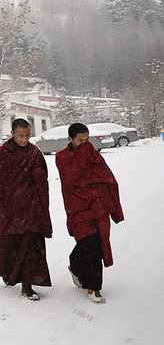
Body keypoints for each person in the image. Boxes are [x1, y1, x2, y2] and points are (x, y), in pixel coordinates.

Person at [56, 123, 124, 304]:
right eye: (80, 140)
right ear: (70, 139)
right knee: (90, 244)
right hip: (78, 208)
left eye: (87, 140)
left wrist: (113, 207)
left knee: (96, 245)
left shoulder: (94, 155)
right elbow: (72, 179)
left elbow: (107, 178)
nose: (85, 144)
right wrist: (91, 178)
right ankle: (92, 286)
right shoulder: (62, 157)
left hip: (98, 207)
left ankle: (82, 273)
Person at [0, 118, 52, 301]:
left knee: (30, 247)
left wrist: (40, 199)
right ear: (13, 134)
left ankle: (27, 285)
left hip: (31, 208)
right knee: (9, 244)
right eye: (20, 135)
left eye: (27, 135)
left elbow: (43, 177)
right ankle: (10, 274)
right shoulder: (4, 153)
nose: (24, 139)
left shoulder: (34, 152)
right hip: (11, 209)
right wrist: (1, 207)